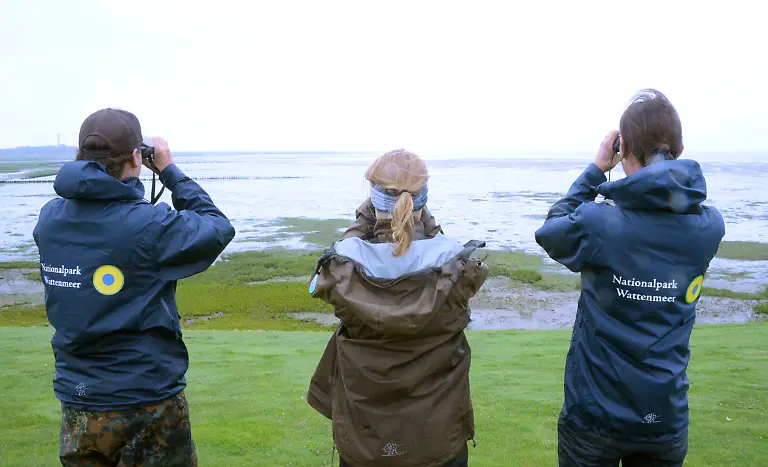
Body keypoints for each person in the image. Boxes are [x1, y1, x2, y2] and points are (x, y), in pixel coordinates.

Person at [33, 108, 236, 466]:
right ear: (135, 157)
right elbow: (217, 227)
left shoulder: (50, 217)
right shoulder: (146, 224)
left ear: (80, 155)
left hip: (79, 396)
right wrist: (170, 172)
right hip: (146, 397)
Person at [535, 90, 725, 466]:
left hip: (594, 417)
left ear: (625, 148)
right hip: (664, 414)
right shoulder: (708, 226)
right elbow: (666, 208)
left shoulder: (600, 223)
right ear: (680, 147)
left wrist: (596, 171)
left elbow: (551, 230)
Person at [307, 149, 488, 467]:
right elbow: (439, 248)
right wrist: (423, 221)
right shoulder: (457, 267)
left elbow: (329, 264)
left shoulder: (343, 268)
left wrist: (365, 219)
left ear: (375, 200)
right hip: (439, 439)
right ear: (421, 201)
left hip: (365, 440)